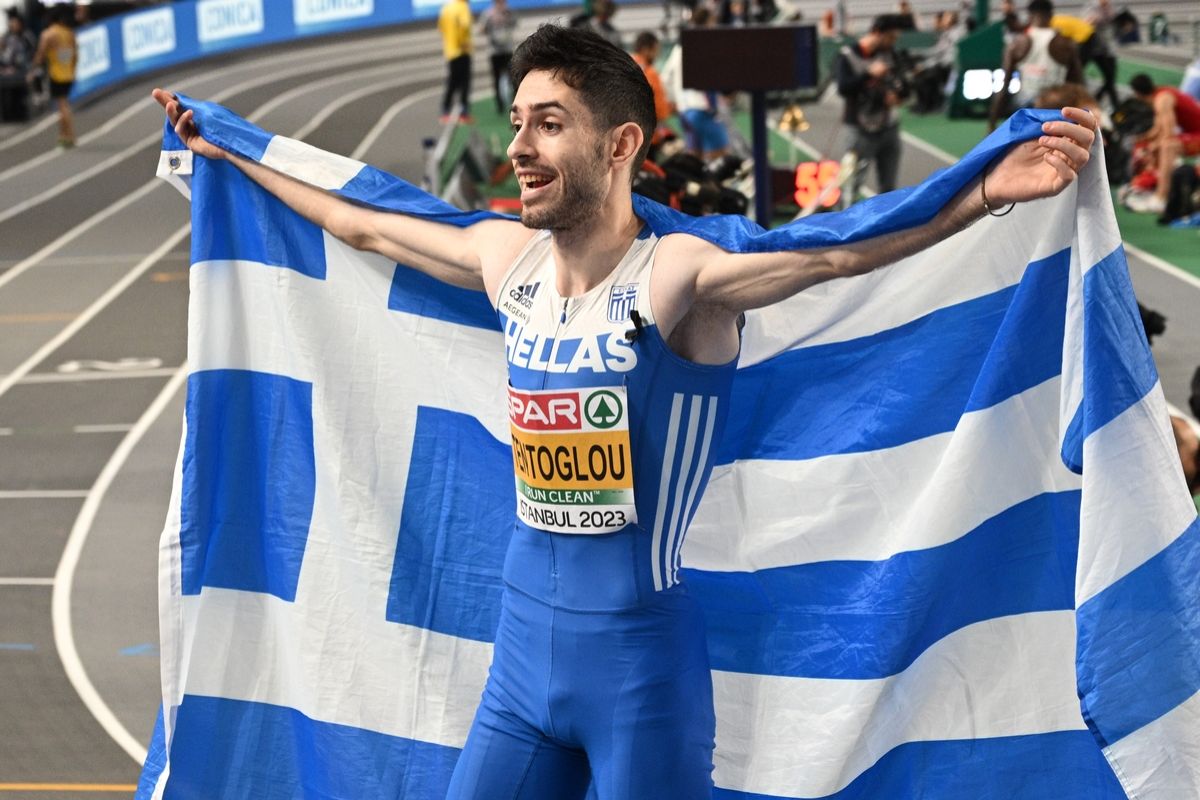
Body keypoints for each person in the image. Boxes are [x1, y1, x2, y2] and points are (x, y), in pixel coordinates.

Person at [153, 22, 1095, 799]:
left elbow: (835, 252)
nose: (518, 148)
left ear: (620, 146)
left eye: (548, 125)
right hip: (518, 665)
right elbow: (359, 220)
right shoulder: (503, 262)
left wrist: (980, 190)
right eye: (517, 122)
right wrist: (227, 151)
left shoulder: (679, 277)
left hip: (641, 677)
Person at [834, 13, 908, 198]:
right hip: (859, 131)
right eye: (890, 37)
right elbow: (844, 88)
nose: (892, 42)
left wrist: (898, 96)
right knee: (851, 186)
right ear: (876, 32)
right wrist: (869, 74)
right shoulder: (848, 55)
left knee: (889, 188)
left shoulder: (890, 54)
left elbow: (904, 85)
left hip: (888, 128)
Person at [989, 0, 1082, 131]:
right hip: (1056, 110)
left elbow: (1003, 88)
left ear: (1029, 16)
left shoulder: (1017, 43)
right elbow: (1079, 86)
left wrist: (991, 125)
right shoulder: (1066, 44)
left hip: (1026, 110)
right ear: (1051, 16)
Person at [1123, 73, 1200, 215]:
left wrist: (1156, 145)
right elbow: (1158, 130)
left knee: (1167, 147)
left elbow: (1169, 132)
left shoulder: (1162, 99)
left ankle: (1161, 198)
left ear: (1137, 94)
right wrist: (1142, 139)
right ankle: (1150, 185)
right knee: (1152, 145)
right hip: (1194, 133)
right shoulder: (1159, 96)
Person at [1050, 10, 1117, 110]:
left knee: (1077, 71)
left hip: (1086, 38)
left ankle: (1081, 99)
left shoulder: (1051, 25)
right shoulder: (1055, 19)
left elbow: (1062, 43)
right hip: (1088, 35)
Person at [32, 4, 76, 146]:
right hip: (68, 73)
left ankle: (68, 136)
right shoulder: (68, 33)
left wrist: (34, 68)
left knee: (62, 106)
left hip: (56, 74)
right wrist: (71, 68)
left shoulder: (47, 34)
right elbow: (74, 54)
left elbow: (40, 55)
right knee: (64, 104)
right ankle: (64, 135)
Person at [631, 31, 673, 144]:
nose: (657, 55)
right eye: (655, 50)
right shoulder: (649, 72)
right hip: (647, 133)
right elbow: (658, 106)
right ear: (646, 49)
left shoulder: (626, 64)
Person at [479, 0, 517, 115]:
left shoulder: (509, 12)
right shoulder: (488, 14)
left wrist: (506, 17)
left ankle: (514, 103)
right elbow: (481, 30)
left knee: (512, 78)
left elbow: (515, 23)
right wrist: (491, 22)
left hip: (507, 50)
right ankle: (499, 106)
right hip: (494, 52)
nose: (502, 4)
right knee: (496, 79)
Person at [438, 0, 474, 124]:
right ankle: (463, 113)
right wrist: (463, 43)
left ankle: (445, 110)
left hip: (450, 51)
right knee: (465, 82)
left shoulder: (447, 8)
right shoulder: (463, 7)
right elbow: (464, 26)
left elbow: (441, 27)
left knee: (452, 82)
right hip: (462, 51)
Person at [0, 10, 35, 122]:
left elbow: (33, 54)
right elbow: (5, 56)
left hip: (23, 70)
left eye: (15, 23)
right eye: (11, 24)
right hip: (8, 71)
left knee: (20, 94)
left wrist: (32, 70)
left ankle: (21, 113)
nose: (13, 26)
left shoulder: (26, 36)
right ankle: (8, 115)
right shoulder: (7, 38)